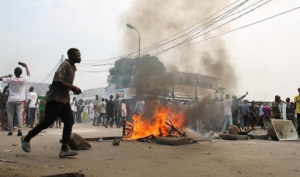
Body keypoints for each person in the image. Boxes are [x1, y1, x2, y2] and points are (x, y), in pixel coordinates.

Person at [21, 48, 82, 158]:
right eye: (77, 55)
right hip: (55, 99)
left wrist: (71, 89)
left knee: (69, 121)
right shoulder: (65, 64)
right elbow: (58, 80)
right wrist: (73, 87)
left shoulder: (73, 67)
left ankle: (64, 149)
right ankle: (26, 138)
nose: (80, 57)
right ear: (71, 56)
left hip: (64, 100)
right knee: (46, 122)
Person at [0, 63, 30, 136]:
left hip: (11, 100)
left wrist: (7, 75)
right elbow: (28, 74)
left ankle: (11, 130)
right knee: (19, 114)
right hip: (19, 100)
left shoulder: (10, 80)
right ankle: (19, 129)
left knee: (10, 115)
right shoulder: (23, 80)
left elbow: (0, 78)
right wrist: (26, 66)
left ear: (14, 73)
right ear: (21, 73)